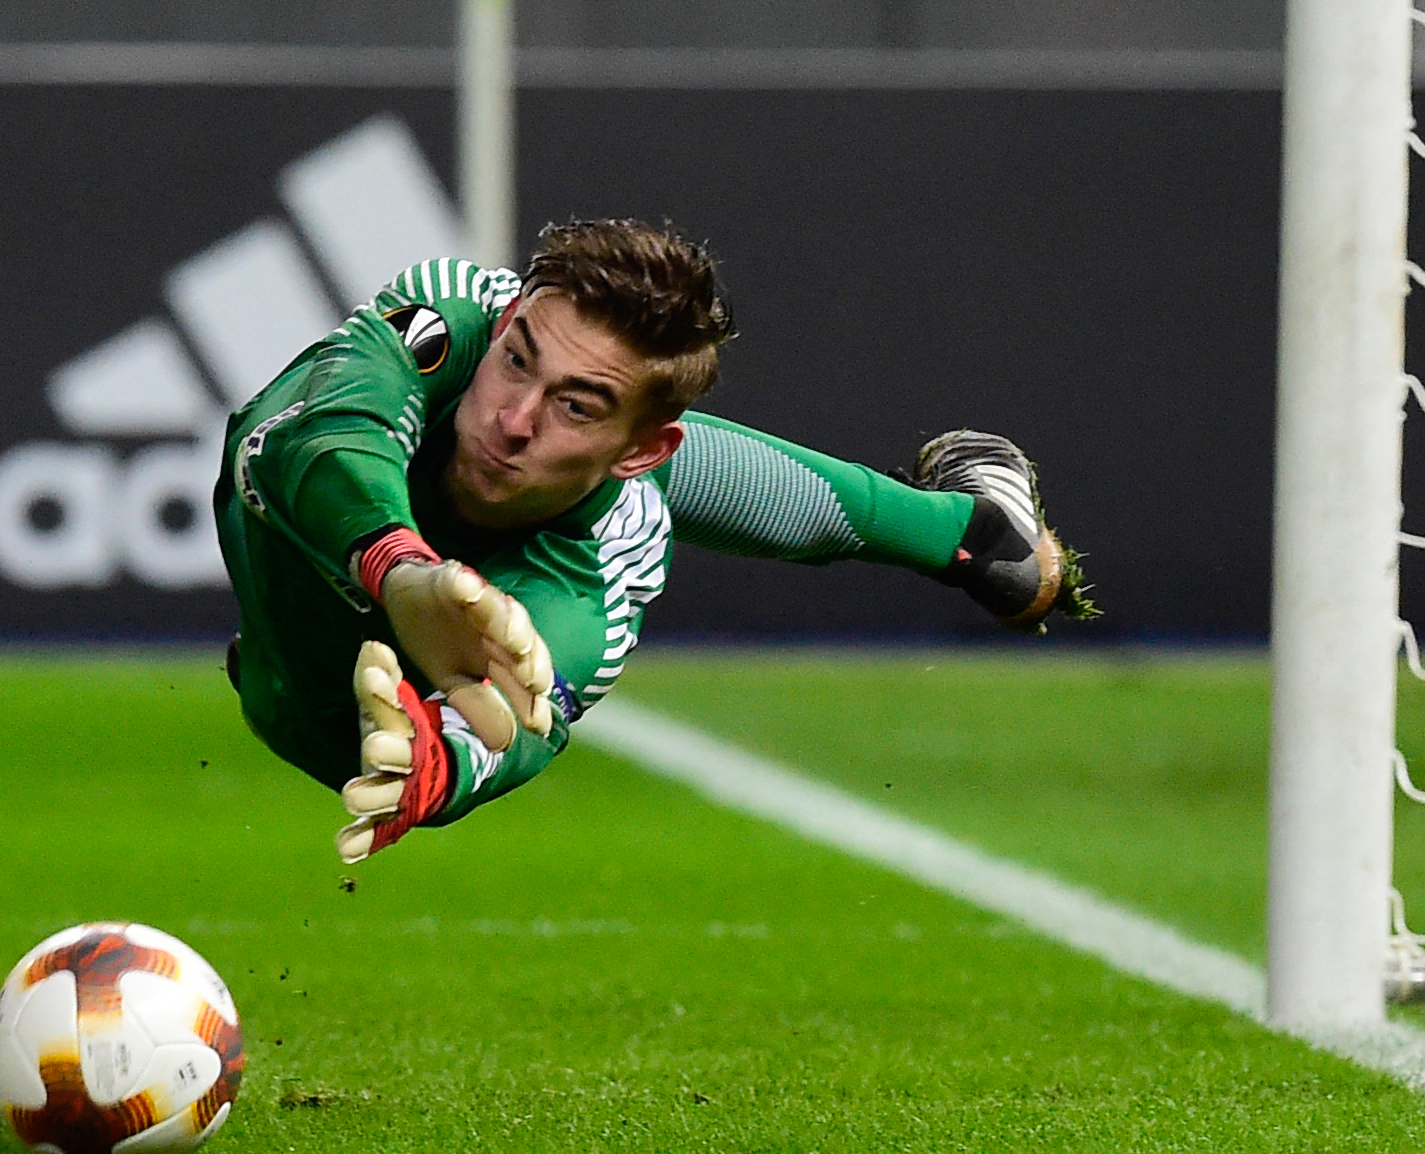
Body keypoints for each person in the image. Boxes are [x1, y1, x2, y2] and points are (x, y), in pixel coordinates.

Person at [213, 218, 1093, 862]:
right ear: (512, 317)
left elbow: (511, 719)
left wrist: (433, 772)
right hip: (384, 538)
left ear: (638, 446)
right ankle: (969, 531)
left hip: (554, 527)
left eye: (575, 404)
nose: (513, 419)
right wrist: (400, 571)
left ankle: (981, 534)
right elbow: (328, 432)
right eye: (519, 360)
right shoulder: (452, 317)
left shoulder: (603, 571)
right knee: (352, 462)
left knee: (638, 484)